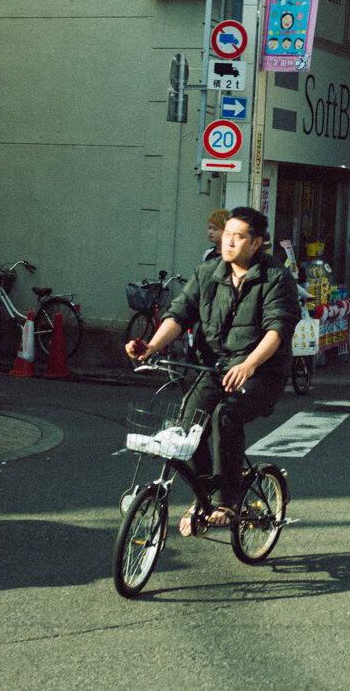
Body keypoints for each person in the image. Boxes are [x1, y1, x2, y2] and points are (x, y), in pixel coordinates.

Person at [125, 206, 300, 531]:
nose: (228, 241)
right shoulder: (208, 273)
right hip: (213, 369)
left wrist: (249, 364)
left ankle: (227, 501)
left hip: (261, 374)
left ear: (257, 242)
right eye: (227, 234)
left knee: (225, 416)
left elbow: (278, 329)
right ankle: (204, 497)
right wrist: (151, 346)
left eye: (239, 236)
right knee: (188, 430)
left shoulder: (276, 277)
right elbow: (180, 314)